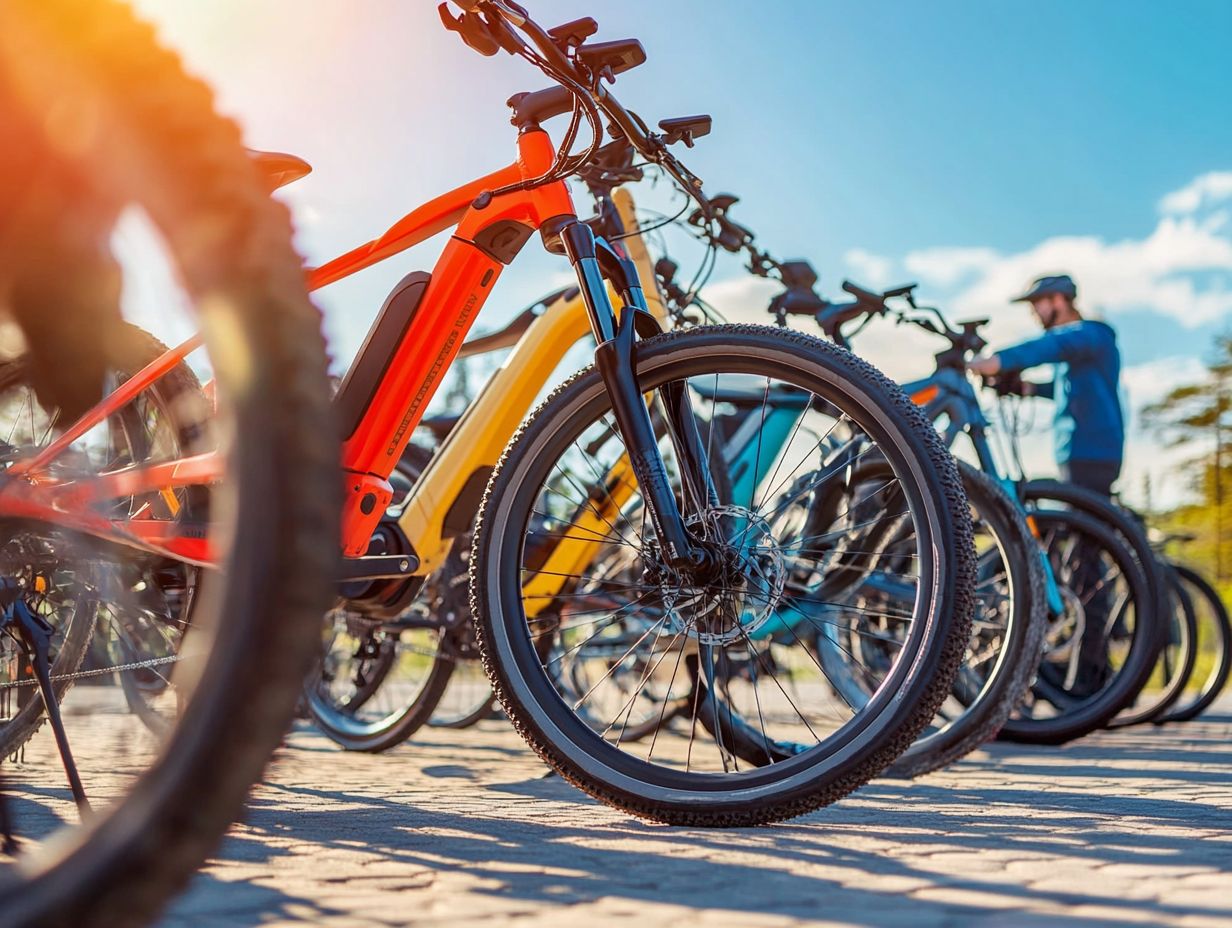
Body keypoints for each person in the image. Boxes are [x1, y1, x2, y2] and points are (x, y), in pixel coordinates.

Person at [967, 274, 1124, 497]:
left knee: (1086, 521)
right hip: (1076, 451)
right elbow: (1073, 390)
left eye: (1036, 304)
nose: (1033, 313)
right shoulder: (1080, 345)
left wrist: (996, 361)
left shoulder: (1091, 334)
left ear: (1058, 300)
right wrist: (1030, 389)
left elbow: (1053, 345)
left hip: (1093, 450)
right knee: (1082, 521)